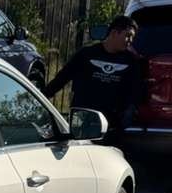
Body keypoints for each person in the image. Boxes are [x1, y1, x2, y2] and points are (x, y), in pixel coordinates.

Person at [44, 15, 142, 143]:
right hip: (84, 118)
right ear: (114, 33)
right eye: (128, 36)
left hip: (112, 124)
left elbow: (135, 90)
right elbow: (63, 77)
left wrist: (128, 111)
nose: (130, 41)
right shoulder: (87, 54)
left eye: (132, 37)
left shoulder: (131, 61)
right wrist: (42, 96)